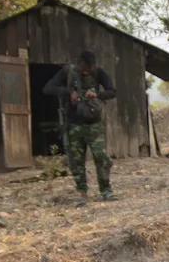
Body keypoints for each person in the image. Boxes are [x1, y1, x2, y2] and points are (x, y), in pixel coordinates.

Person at [43, 50, 117, 205]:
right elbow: (48, 88)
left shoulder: (98, 73)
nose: (87, 71)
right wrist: (69, 92)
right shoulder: (68, 72)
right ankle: (82, 194)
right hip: (73, 124)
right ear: (79, 63)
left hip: (94, 124)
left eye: (90, 69)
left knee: (101, 158)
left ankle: (106, 191)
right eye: (85, 68)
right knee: (76, 161)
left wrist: (96, 94)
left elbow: (112, 91)